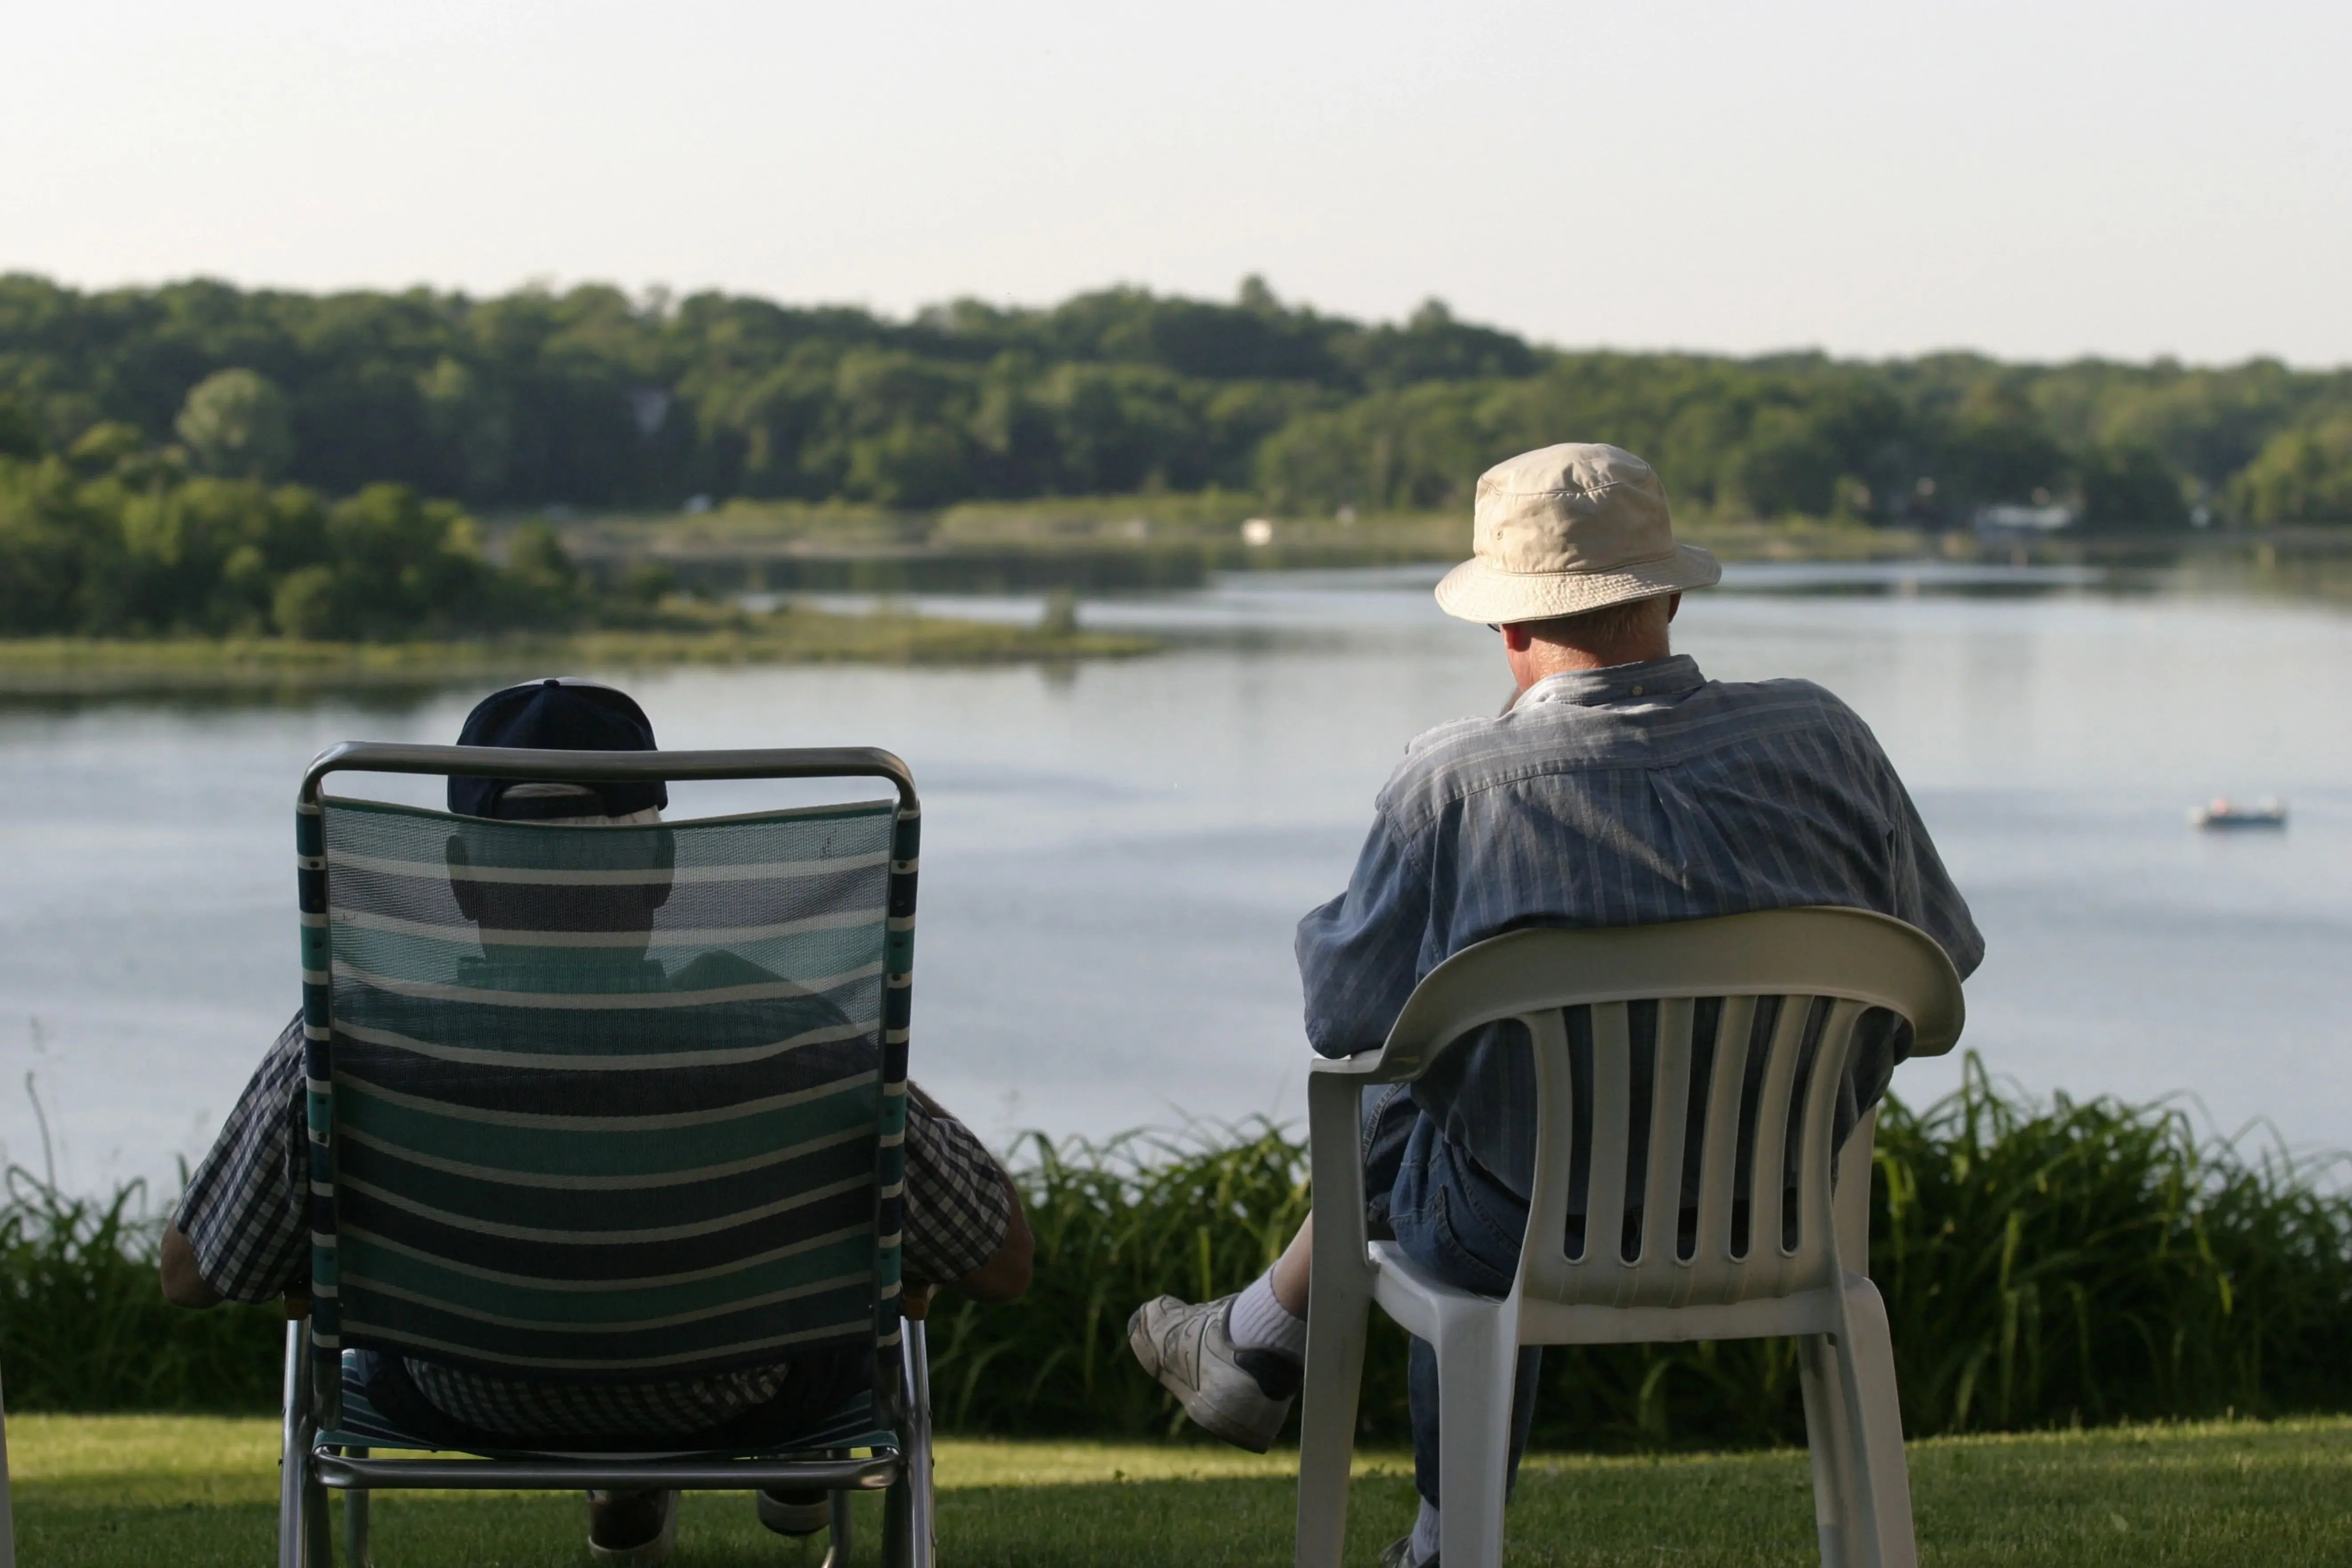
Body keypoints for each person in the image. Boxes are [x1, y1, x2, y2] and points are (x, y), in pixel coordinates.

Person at [1128, 443, 1983, 1568]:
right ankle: (1252, 1339)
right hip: (1778, 1211)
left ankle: (1370, 1459)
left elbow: (1342, 1016)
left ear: (1504, 624)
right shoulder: (1825, 737)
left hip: (1525, 1230)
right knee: (1452, 1109)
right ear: (1669, 592)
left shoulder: (1454, 784)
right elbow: (1940, 962)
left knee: (1423, 1114)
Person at [161, 678, 1033, 1565]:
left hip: (456, 1392)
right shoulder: (790, 1028)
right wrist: (878, 1065)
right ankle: (726, 1474)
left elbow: (191, 1272)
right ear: (660, 870)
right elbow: (1002, 1260)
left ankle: (625, 1487)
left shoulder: (350, 1039)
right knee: (835, 1317)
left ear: (461, 873)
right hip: (749, 1391)